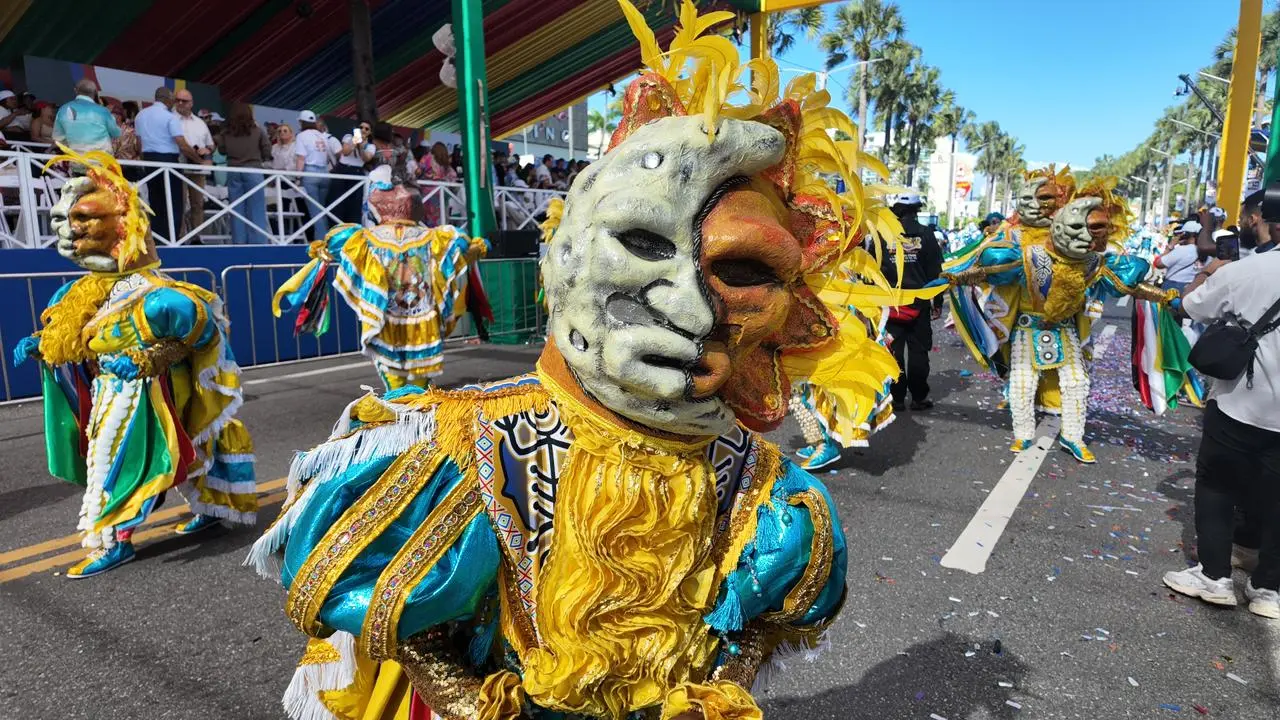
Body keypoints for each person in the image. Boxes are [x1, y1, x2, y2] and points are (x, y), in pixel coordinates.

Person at [247, 5, 922, 716]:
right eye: (646, 243)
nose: (692, 309)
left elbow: (754, 630)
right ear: (571, 251)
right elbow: (413, 630)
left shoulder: (764, 493)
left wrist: (720, 688)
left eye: (743, 270)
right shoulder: (463, 449)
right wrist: (474, 704)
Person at [11, 149, 257, 577]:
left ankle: (115, 540)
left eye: (87, 218)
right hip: (109, 390)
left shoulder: (162, 297)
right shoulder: (75, 294)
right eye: (73, 219)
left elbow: (204, 339)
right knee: (159, 455)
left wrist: (149, 359)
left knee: (120, 463)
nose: (74, 228)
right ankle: (207, 509)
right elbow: (79, 341)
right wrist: (42, 345)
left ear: (124, 227)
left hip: (150, 392)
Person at [944, 175, 1183, 463]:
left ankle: (1073, 436)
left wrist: (1164, 296)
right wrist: (955, 277)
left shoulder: (1091, 262)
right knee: (1022, 383)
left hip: (1065, 329)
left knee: (1077, 382)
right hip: (1027, 328)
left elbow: (1125, 284)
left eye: (1091, 231)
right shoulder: (1029, 254)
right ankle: (1023, 432)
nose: (1083, 238)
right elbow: (992, 271)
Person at [273, 164, 488, 389]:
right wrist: (477, 249)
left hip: (392, 321)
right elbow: (466, 247)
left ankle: (405, 416)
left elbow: (329, 247)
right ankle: (415, 416)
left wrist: (322, 251)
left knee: (397, 389)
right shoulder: (435, 237)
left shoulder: (363, 239)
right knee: (419, 390)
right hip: (420, 320)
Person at [1162, 245, 1280, 620]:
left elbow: (1190, 305)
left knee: (1217, 486)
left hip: (1239, 405)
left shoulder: (1249, 269)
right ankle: (1269, 590)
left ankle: (1214, 578)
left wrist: (1204, 272)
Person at [884, 192, 944, 412]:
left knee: (893, 353)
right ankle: (919, 398)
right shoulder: (927, 235)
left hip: (890, 305)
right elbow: (936, 272)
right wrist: (937, 302)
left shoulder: (884, 234)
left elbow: (873, 270)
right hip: (919, 303)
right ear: (917, 209)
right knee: (919, 352)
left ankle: (896, 398)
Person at [135, 87, 204, 241]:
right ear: (167, 99)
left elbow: (139, 144)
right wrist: (199, 161)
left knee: (155, 201)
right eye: (173, 98)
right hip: (168, 161)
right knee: (173, 202)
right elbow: (182, 143)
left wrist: (144, 159)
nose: (174, 102)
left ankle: (157, 238)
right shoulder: (170, 117)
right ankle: (171, 239)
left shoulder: (141, 115)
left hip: (149, 160)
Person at [217, 102, 272, 245]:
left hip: (234, 171)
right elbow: (267, 149)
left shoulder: (226, 132)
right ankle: (258, 243)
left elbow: (222, 150)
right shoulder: (258, 130)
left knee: (236, 210)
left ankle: (239, 243)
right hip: (253, 170)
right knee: (256, 209)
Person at [172, 89, 214, 237]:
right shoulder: (171, 118)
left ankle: (197, 237)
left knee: (198, 204)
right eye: (177, 100)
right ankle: (180, 237)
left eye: (184, 101)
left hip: (198, 170)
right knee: (179, 205)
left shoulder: (200, 123)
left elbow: (211, 145)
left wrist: (205, 150)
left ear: (191, 103)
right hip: (178, 168)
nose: (180, 103)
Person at [294, 110, 334, 241]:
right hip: (324, 172)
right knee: (322, 210)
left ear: (301, 122)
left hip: (310, 173)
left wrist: (297, 178)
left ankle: (322, 242)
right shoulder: (322, 135)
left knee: (315, 212)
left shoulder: (301, 136)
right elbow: (328, 156)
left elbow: (301, 158)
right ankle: (326, 240)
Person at [51, 80, 121, 154]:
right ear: (95, 92)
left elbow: (58, 139)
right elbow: (116, 133)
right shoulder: (103, 111)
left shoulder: (63, 110)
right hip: (100, 161)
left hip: (76, 159)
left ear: (75, 90)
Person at [329, 124, 373, 225]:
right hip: (342, 169)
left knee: (354, 204)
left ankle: (352, 231)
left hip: (356, 172)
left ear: (370, 132)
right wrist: (355, 141)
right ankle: (335, 229)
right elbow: (345, 152)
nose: (363, 130)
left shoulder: (370, 146)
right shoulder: (348, 137)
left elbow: (366, 158)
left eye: (367, 129)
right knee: (337, 202)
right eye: (361, 127)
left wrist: (361, 146)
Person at [1155, 220, 1202, 294]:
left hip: (1174, 286)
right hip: (1193, 287)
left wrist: (1170, 246)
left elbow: (1159, 263)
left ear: (1186, 234)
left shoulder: (1182, 250)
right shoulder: (1204, 251)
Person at [419, 141, 457, 226]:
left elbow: (418, 170)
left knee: (426, 218)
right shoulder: (445, 161)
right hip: (441, 193)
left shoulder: (427, 158)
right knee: (440, 217)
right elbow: (453, 175)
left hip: (427, 193)